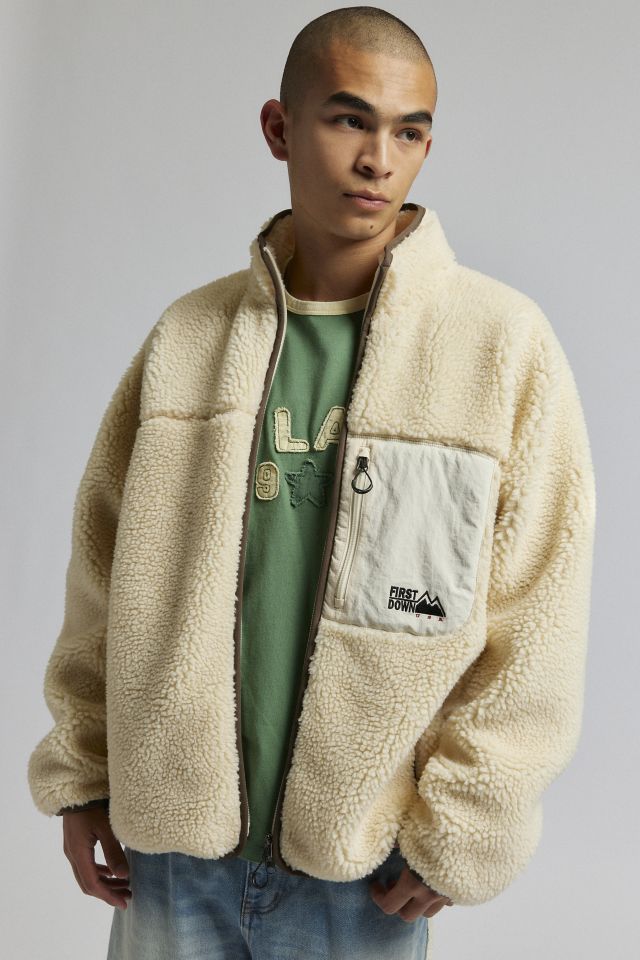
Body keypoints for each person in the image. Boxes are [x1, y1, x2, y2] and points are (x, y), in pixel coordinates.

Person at [27, 6, 596, 959]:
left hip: (364, 871)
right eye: (349, 120)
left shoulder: (500, 349)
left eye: (409, 132)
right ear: (279, 128)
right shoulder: (188, 339)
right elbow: (102, 573)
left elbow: (539, 612)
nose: (378, 159)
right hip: (172, 857)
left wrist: (465, 827)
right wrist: (83, 772)